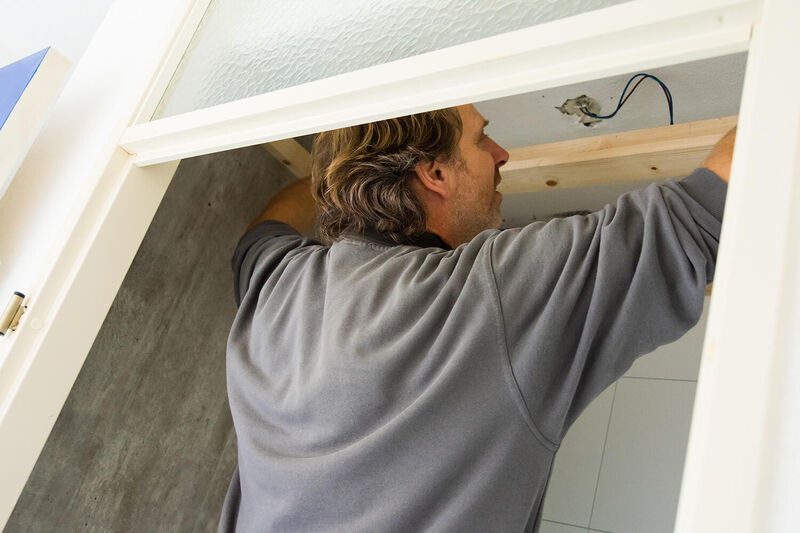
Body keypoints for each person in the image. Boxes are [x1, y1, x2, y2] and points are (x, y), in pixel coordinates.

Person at [218, 104, 734, 532]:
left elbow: (262, 231)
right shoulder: (492, 293)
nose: (502, 155)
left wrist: (339, 178)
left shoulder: (276, 284)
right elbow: (708, 207)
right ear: (436, 174)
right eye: (482, 140)